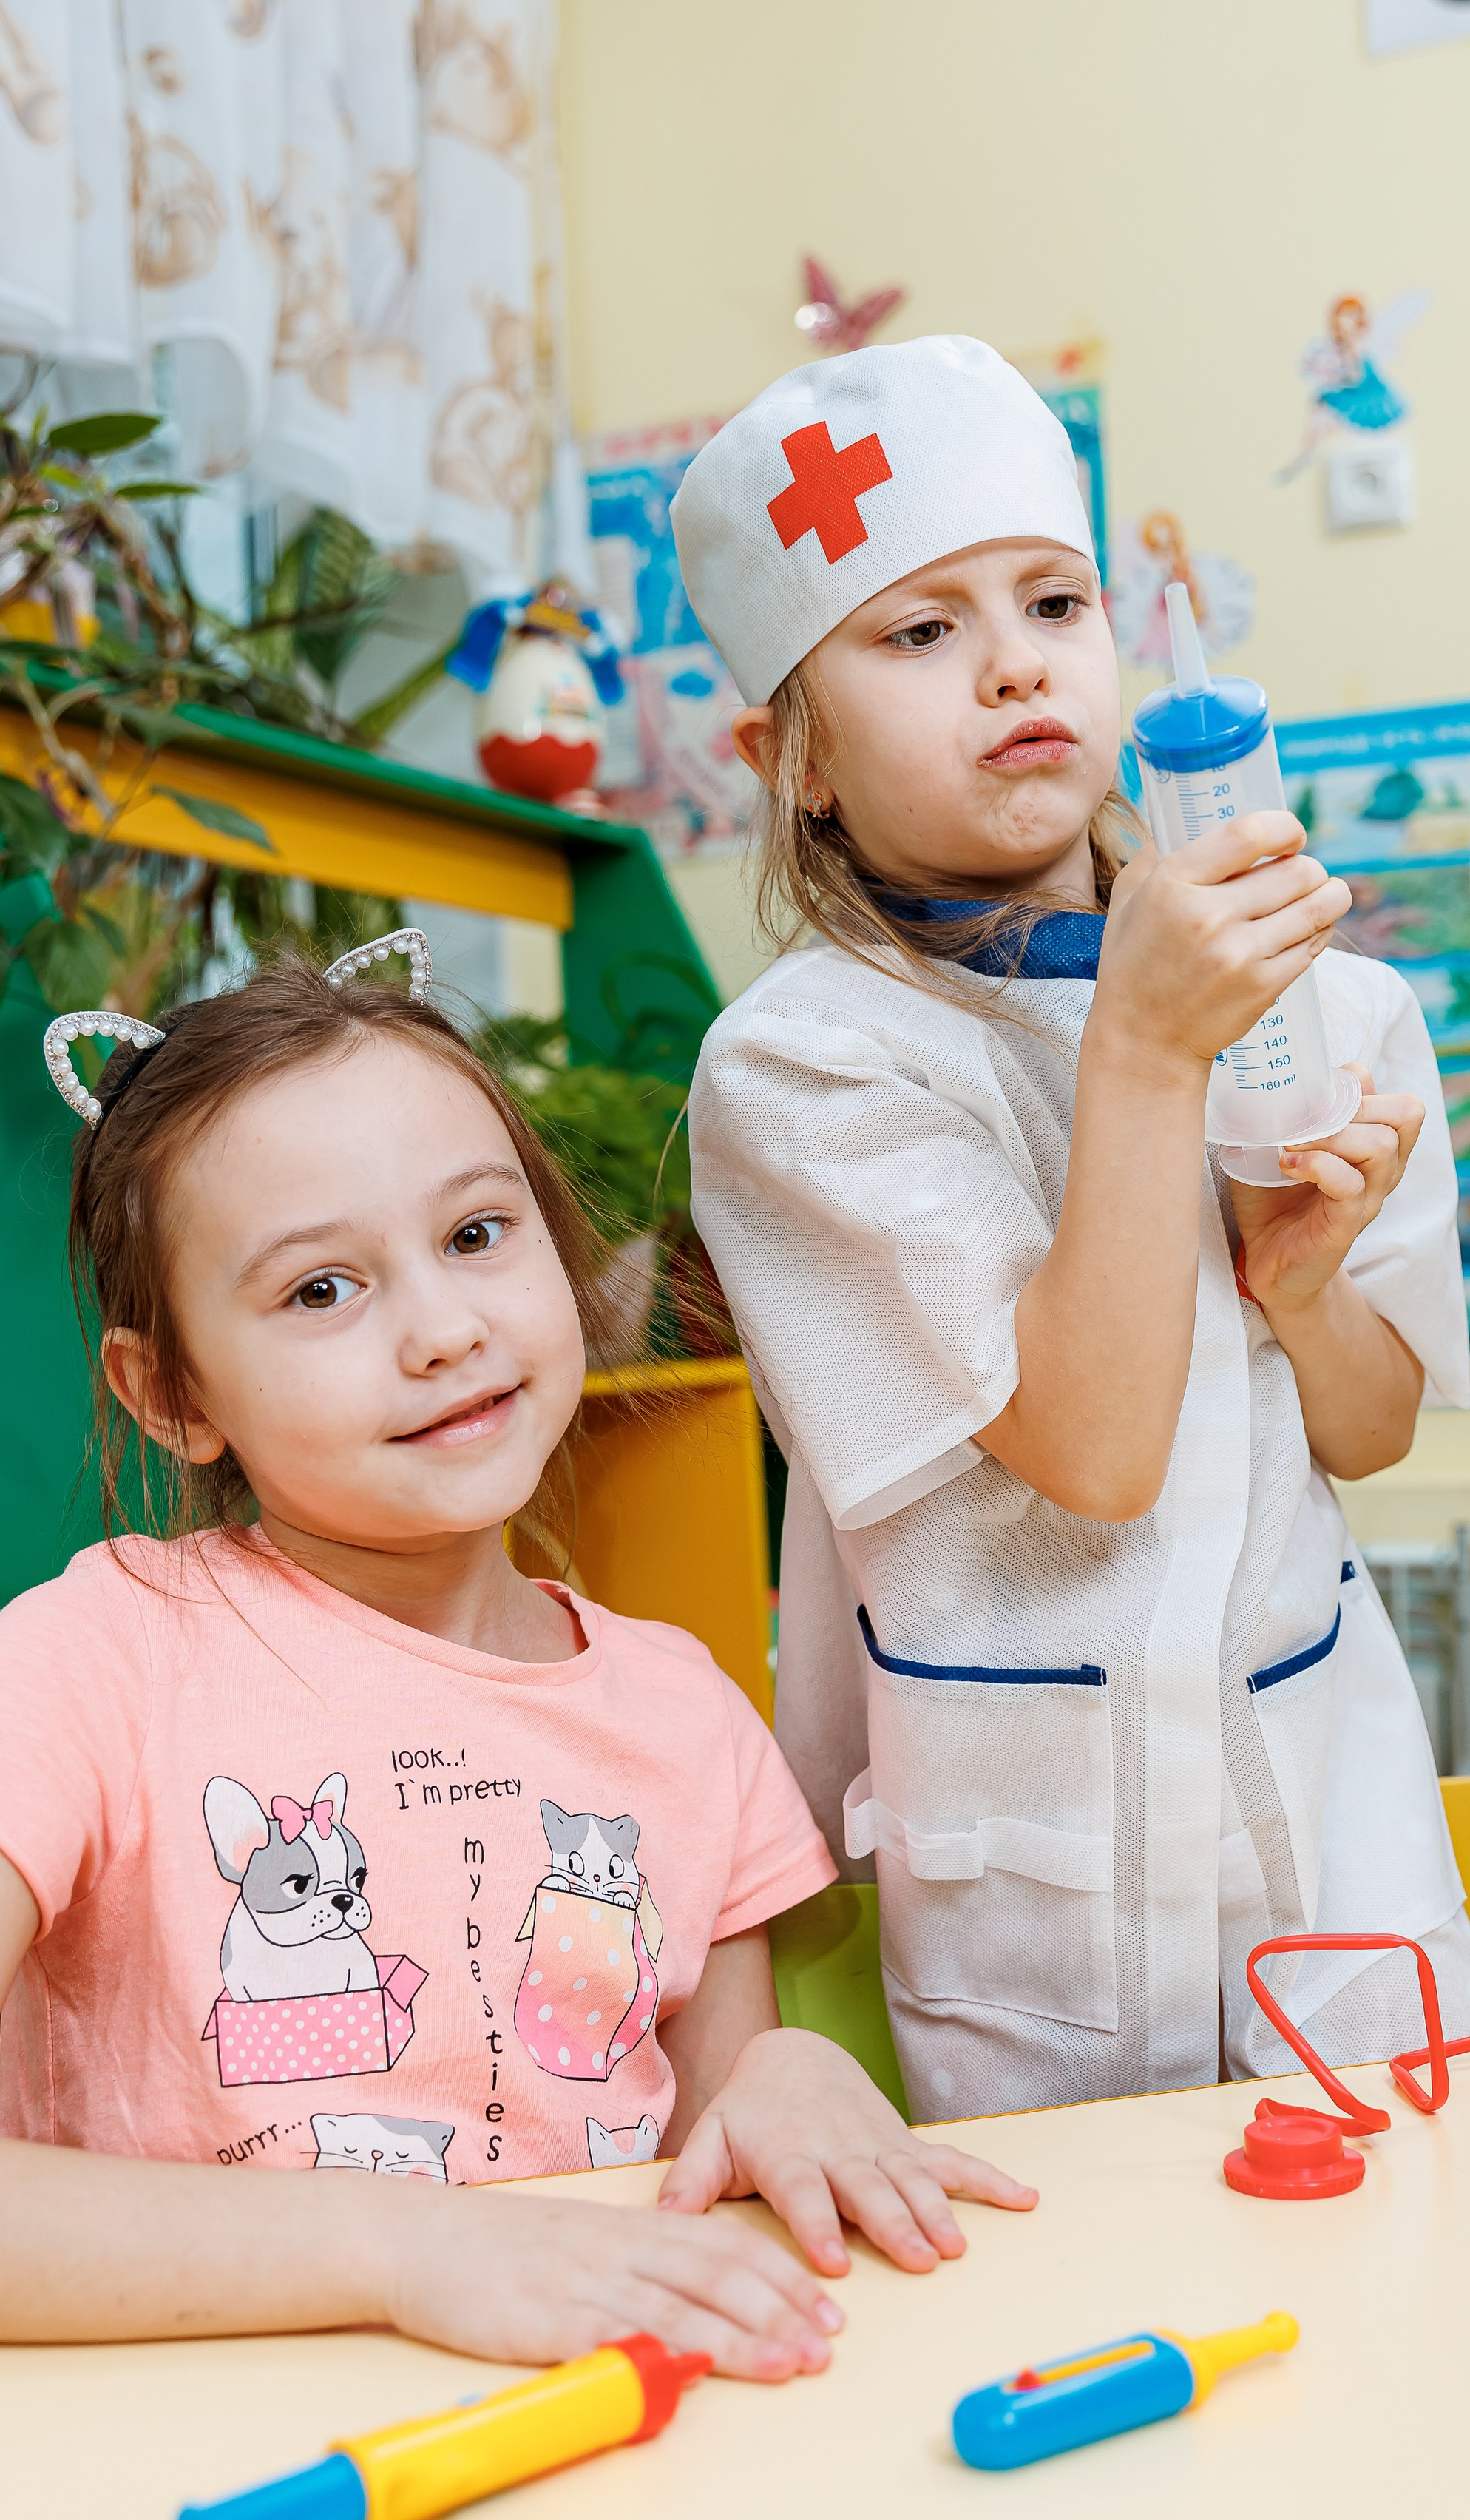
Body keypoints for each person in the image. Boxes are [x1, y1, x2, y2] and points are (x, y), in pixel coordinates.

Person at [0, 933, 1032, 2366]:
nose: (442, 1330)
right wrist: (408, 2248)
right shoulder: (88, 1665)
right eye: (320, 1291)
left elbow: (706, 2125)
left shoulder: (678, 1708)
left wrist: (786, 2078)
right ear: (171, 1390)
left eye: (478, 1235)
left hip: (595, 2436)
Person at [674, 335, 1470, 2127]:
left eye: (1051, 601)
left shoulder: (1337, 1016)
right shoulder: (803, 1072)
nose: (1011, 666)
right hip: (1034, 1911)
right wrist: (1143, 1045)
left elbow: (1368, 1424)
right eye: (915, 632)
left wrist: (1294, 1288)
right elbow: (1093, 1454)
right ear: (789, 757)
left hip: (1333, 1858)